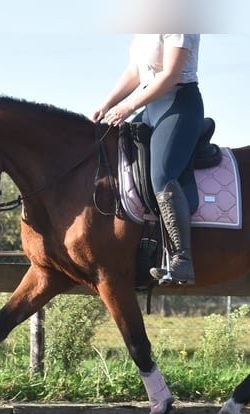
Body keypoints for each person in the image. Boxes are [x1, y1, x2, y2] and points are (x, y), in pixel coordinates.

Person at [92, 34, 203, 286]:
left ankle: (183, 260)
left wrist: (128, 108)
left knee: (162, 175)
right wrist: (107, 104)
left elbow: (171, 75)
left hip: (179, 103)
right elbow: (135, 71)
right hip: (150, 105)